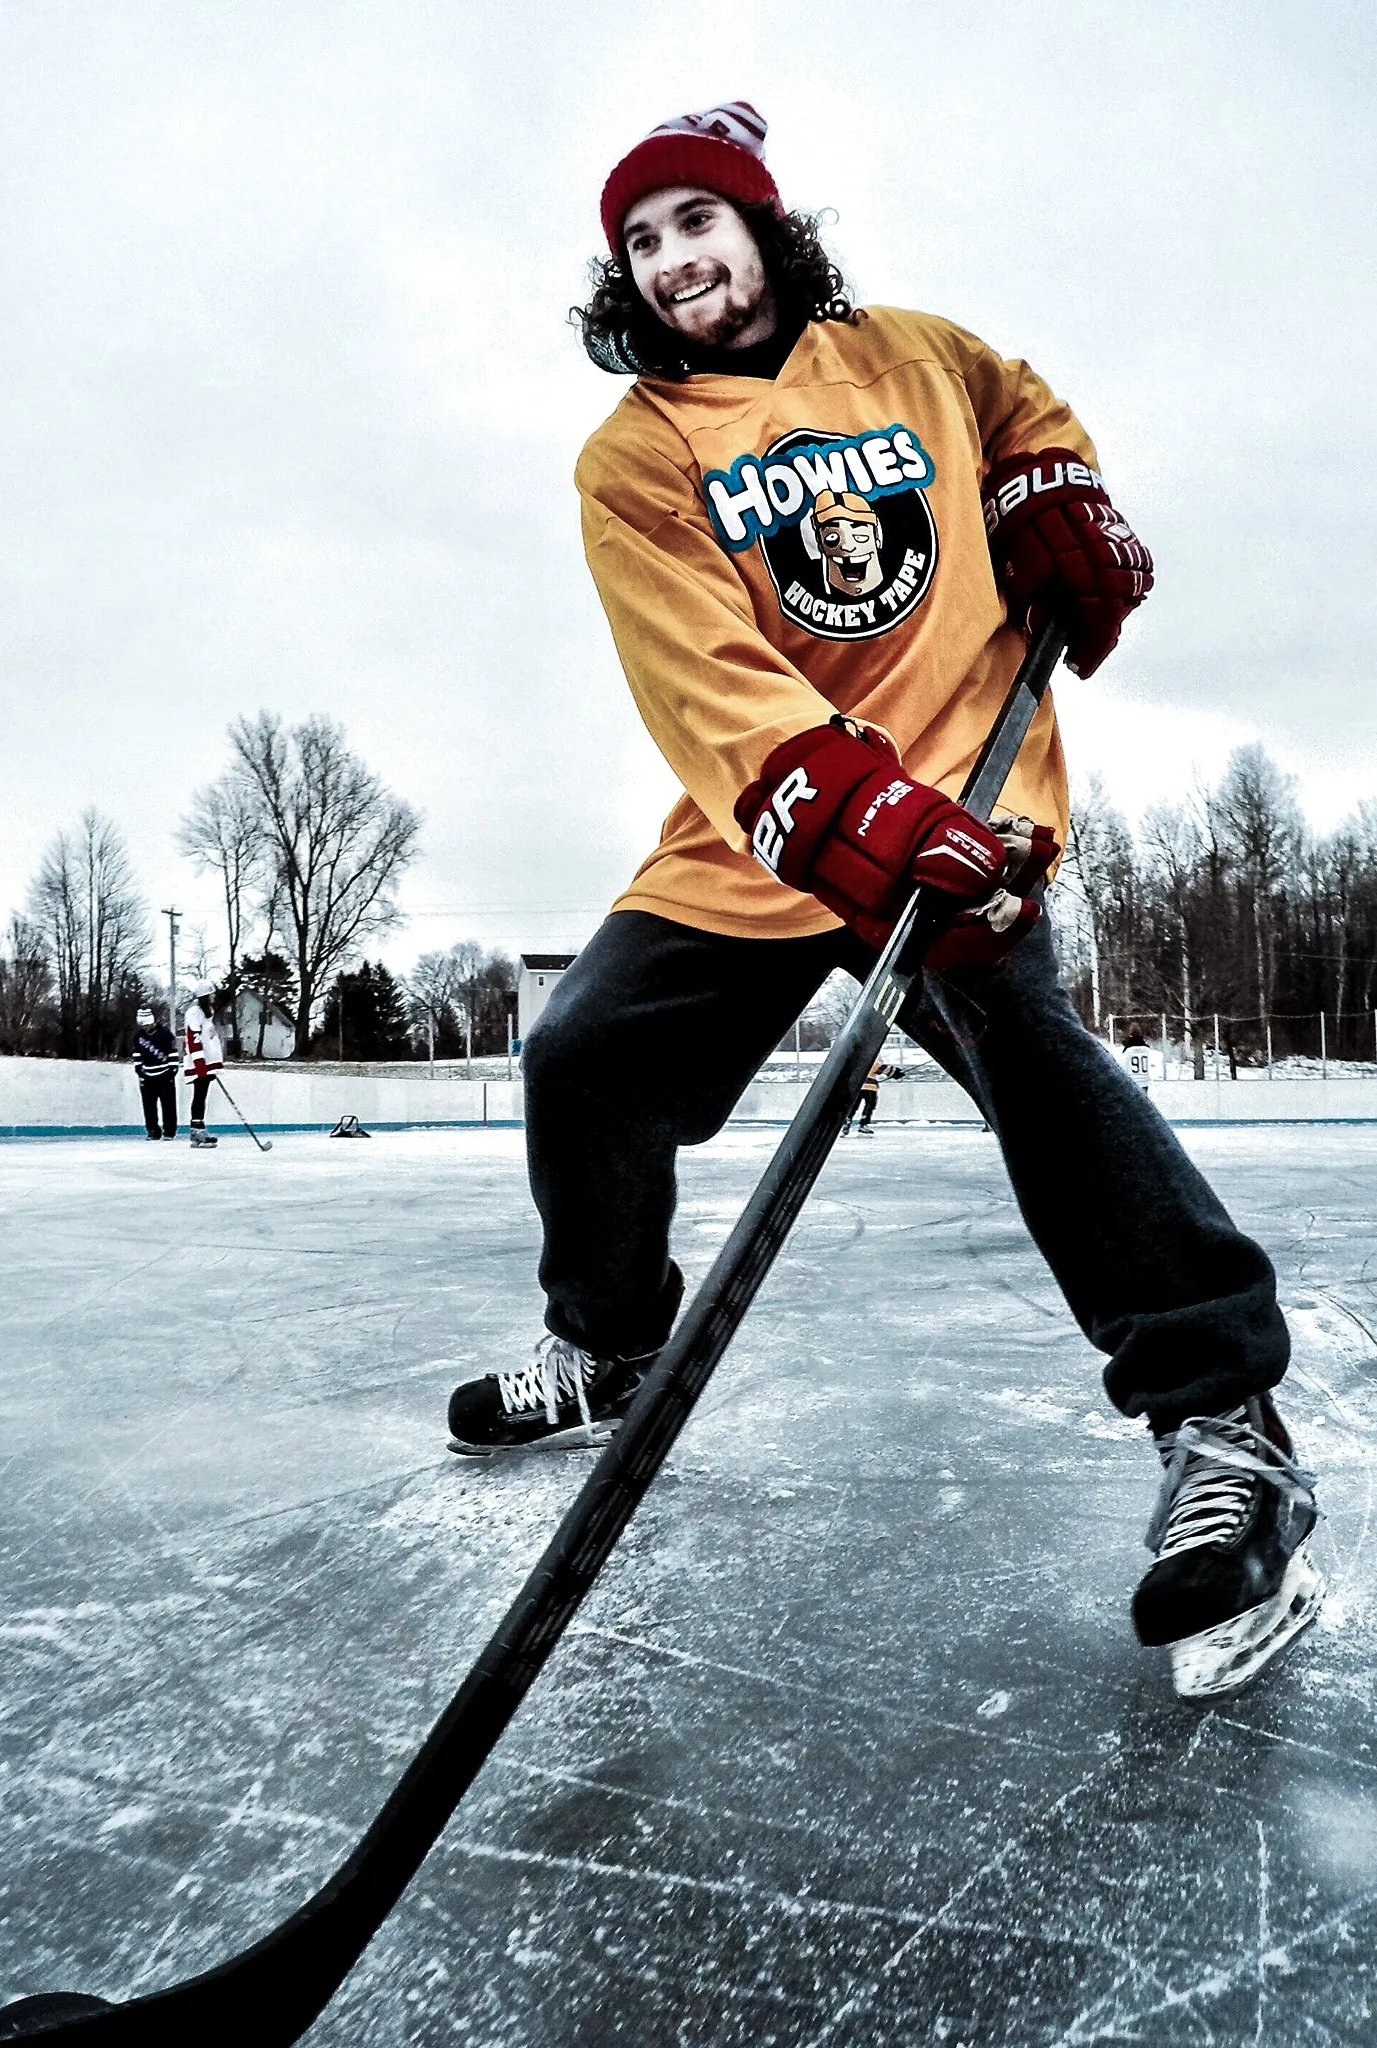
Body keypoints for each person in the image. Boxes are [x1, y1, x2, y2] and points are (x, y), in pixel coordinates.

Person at [445, 104, 1320, 1698]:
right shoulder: (639, 450)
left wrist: (1055, 490)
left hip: (964, 811)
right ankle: (609, 1340)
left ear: (764, 232)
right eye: (642, 241)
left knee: (1036, 1064)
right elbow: (698, 675)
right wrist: (831, 802)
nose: (674, 260)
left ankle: (1226, 1425)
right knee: (585, 1055)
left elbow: (1028, 416)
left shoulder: (920, 355)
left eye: (698, 222)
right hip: (776, 823)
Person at [182, 980, 223, 1149]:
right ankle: (197, 1133)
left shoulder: (207, 1013)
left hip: (208, 1063)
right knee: (199, 1096)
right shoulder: (194, 1013)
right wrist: (200, 1062)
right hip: (201, 1064)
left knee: (202, 1096)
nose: (214, 996)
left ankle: (199, 1130)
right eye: (211, 993)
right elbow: (193, 1038)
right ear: (205, 995)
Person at [133, 1004, 179, 1140]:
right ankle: (153, 1130)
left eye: (148, 1024)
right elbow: (137, 1054)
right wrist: (139, 1070)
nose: (146, 1028)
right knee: (149, 1106)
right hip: (147, 1076)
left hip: (165, 1075)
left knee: (168, 1105)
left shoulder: (165, 1034)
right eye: (143, 1025)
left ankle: (169, 1131)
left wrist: (172, 1070)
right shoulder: (138, 1037)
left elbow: (172, 1052)